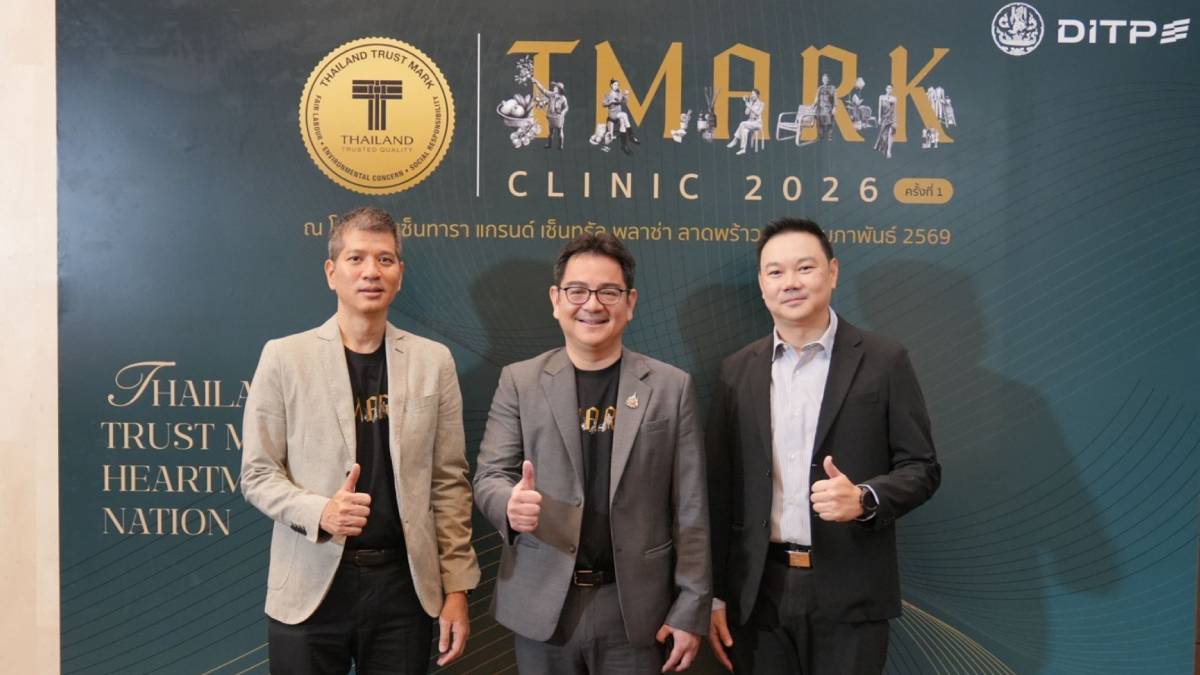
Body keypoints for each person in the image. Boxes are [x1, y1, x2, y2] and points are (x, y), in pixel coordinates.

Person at [241, 206, 480, 674]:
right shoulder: (285, 357)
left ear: (399, 274)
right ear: (331, 272)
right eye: (356, 259)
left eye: (385, 259)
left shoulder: (433, 362)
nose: (371, 271)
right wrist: (321, 512)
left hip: (403, 589)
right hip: (309, 584)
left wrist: (456, 588)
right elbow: (258, 473)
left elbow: (448, 484)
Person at [706, 218, 941, 674]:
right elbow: (719, 488)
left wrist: (865, 499)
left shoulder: (884, 360)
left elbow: (922, 467)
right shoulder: (736, 371)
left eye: (805, 268)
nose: (790, 283)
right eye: (775, 272)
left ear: (832, 272)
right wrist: (715, 593)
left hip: (851, 592)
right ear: (762, 285)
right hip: (758, 595)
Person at [474, 232, 711, 674]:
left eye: (609, 292)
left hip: (637, 611)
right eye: (577, 291)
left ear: (630, 302)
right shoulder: (520, 382)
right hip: (544, 606)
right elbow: (489, 475)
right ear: (556, 299)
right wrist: (508, 504)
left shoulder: (670, 388)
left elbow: (691, 509)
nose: (593, 304)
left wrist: (692, 606)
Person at [726, 89, 764, 155]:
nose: (752, 95)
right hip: (750, 122)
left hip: (757, 123)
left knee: (742, 123)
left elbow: (758, 113)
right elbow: (746, 113)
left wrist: (750, 106)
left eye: (753, 94)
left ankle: (735, 140)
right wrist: (748, 103)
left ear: (757, 95)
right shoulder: (751, 103)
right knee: (744, 131)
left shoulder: (761, 104)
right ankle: (743, 149)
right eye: (751, 94)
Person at [875, 84, 897, 159]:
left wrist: (895, 121)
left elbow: (895, 110)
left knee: (891, 133)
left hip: (891, 118)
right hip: (884, 118)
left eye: (891, 88)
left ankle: (889, 150)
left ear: (892, 90)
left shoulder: (894, 98)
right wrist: (879, 118)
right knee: (883, 135)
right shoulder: (881, 97)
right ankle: (883, 148)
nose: (889, 89)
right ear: (886, 89)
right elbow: (879, 108)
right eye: (888, 88)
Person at [813, 74, 837, 141]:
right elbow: (816, 98)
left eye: (826, 79)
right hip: (821, 108)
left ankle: (830, 135)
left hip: (829, 108)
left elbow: (835, 98)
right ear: (822, 80)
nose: (825, 80)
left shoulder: (832, 88)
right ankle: (821, 135)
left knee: (830, 122)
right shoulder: (820, 88)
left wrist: (834, 107)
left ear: (828, 80)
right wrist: (813, 105)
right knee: (820, 122)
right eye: (823, 79)